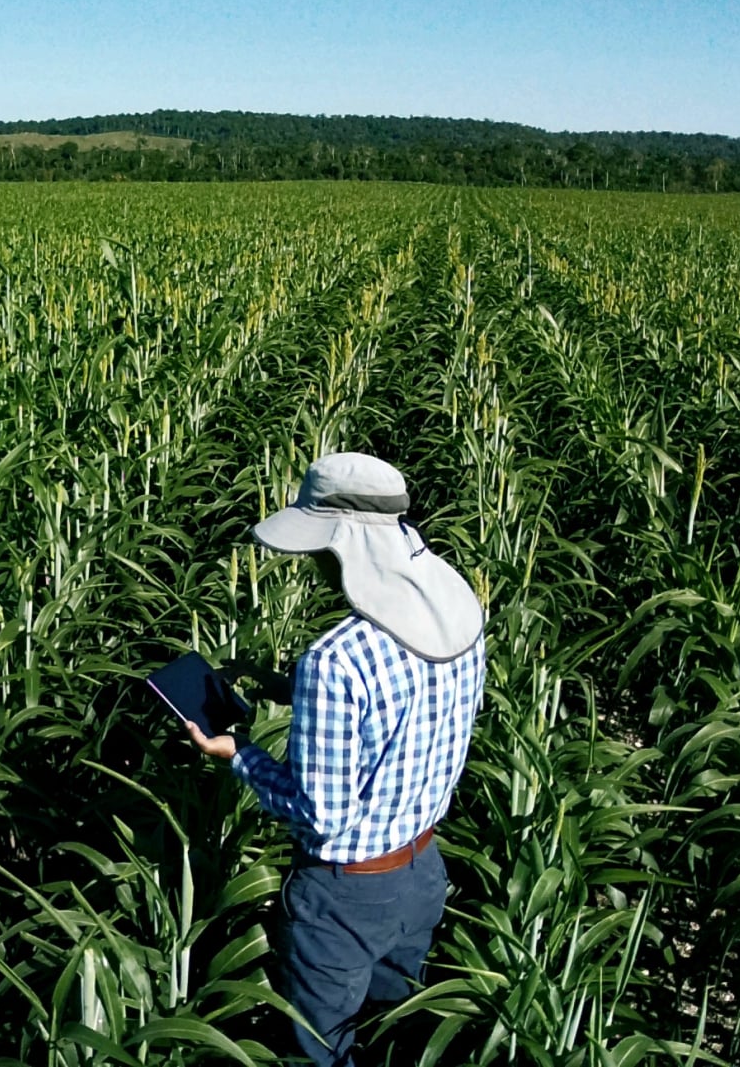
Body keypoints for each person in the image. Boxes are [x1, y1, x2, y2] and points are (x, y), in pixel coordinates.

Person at [186, 452, 485, 1066]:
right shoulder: (456, 607)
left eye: (321, 547)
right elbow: (405, 705)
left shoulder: (336, 658)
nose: (316, 562)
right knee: (387, 1036)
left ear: (346, 545)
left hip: (346, 896)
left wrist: (238, 753)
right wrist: (286, 688)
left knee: (320, 1052)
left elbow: (321, 815)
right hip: (424, 871)